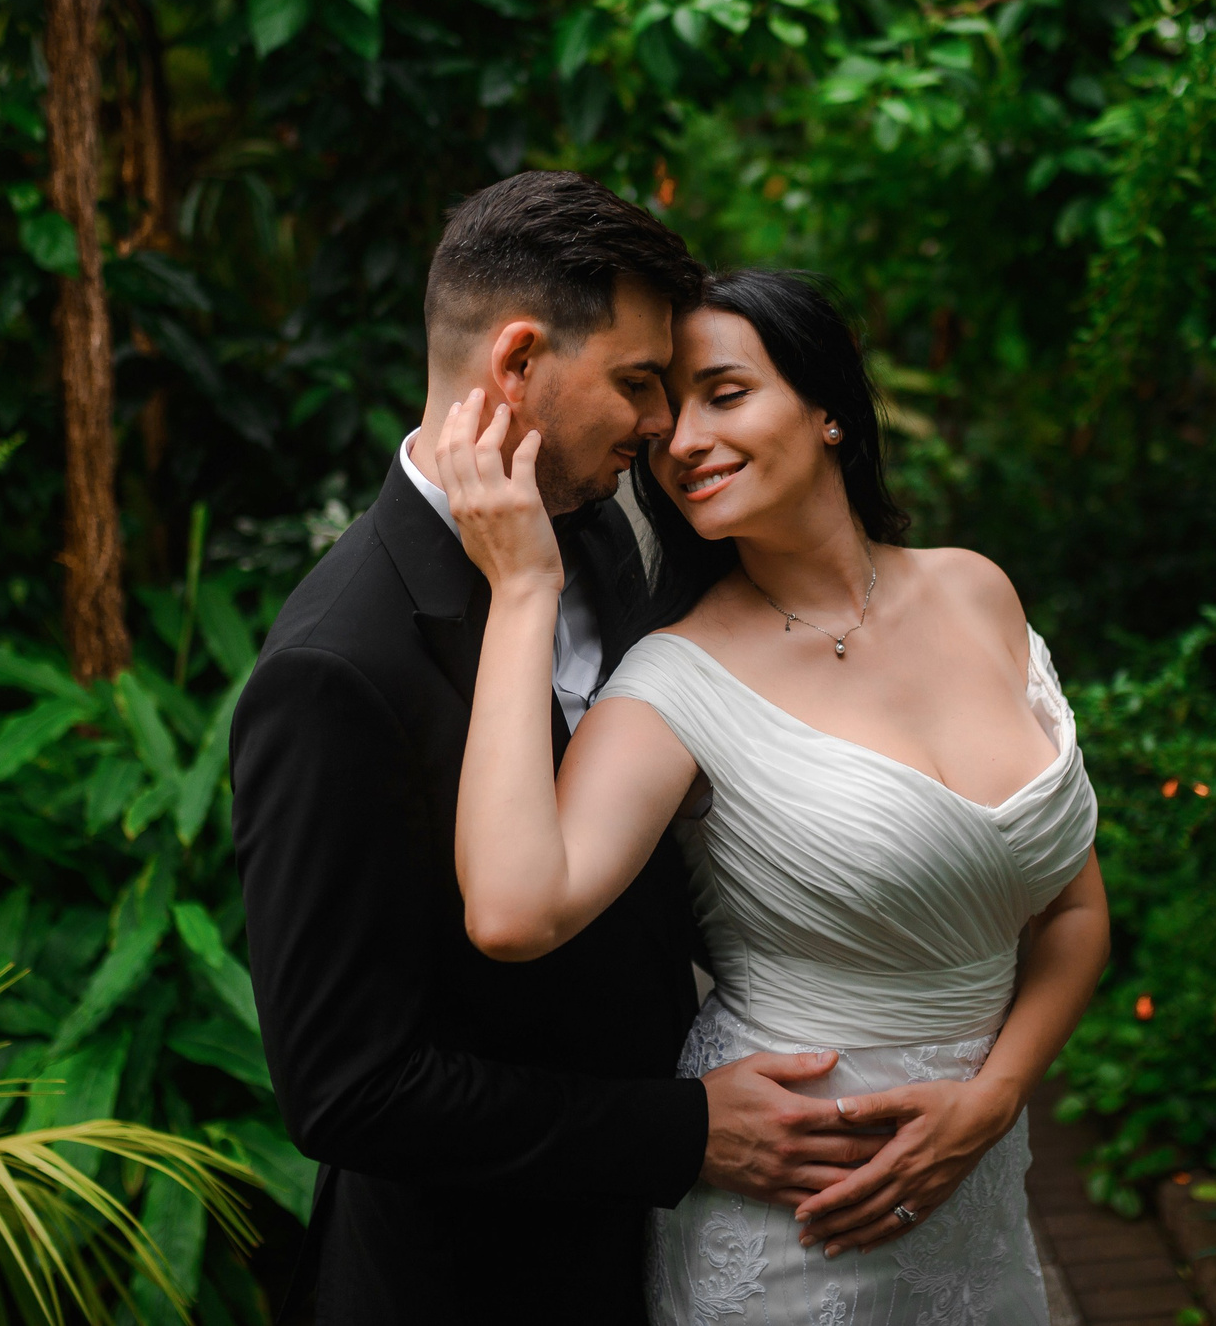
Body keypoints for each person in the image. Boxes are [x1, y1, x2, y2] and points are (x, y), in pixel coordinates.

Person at [231, 178, 887, 1324]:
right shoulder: (334, 667)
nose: (660, 425)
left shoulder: (603, 535)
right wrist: (680, 1131)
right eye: (638, 381)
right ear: (518, 360)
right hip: (468, 1278)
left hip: (674, 1252)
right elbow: (347, 1087)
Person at [434, 268, 1108, 1323]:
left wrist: (992, 1097)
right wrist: (525, 589)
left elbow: (1072, 912)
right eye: (665, 412)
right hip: (798, 1221)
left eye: (725, 392)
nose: (681, 438)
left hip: (976, 1187)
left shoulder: (977, 590)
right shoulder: (676, 679)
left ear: (828, 406)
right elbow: (514, 910)